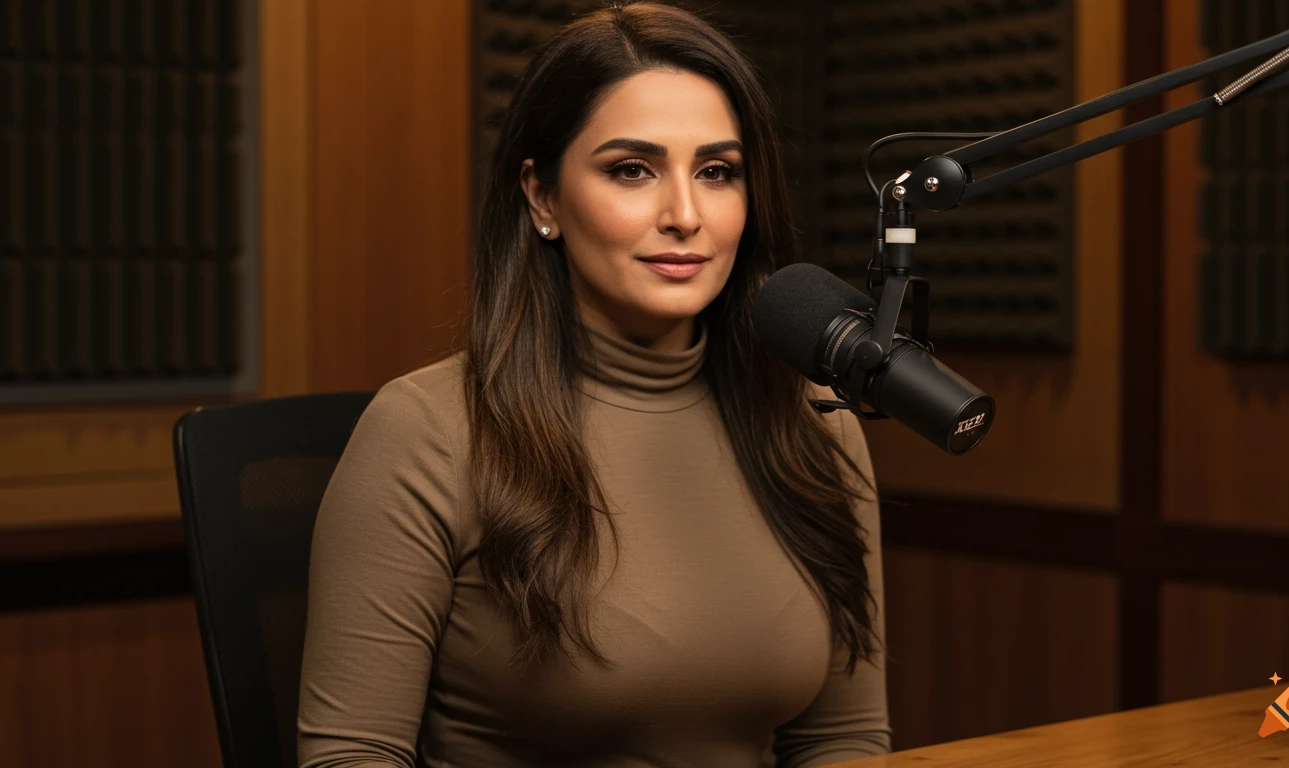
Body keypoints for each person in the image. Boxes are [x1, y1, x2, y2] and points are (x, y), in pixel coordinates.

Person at [296, 2, 891, 766]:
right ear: (543, 197)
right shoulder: (427, 432)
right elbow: (350, 756)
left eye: (717, 172)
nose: (685, 214)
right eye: (631, 170)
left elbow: (842, 739)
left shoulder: (817, 419)